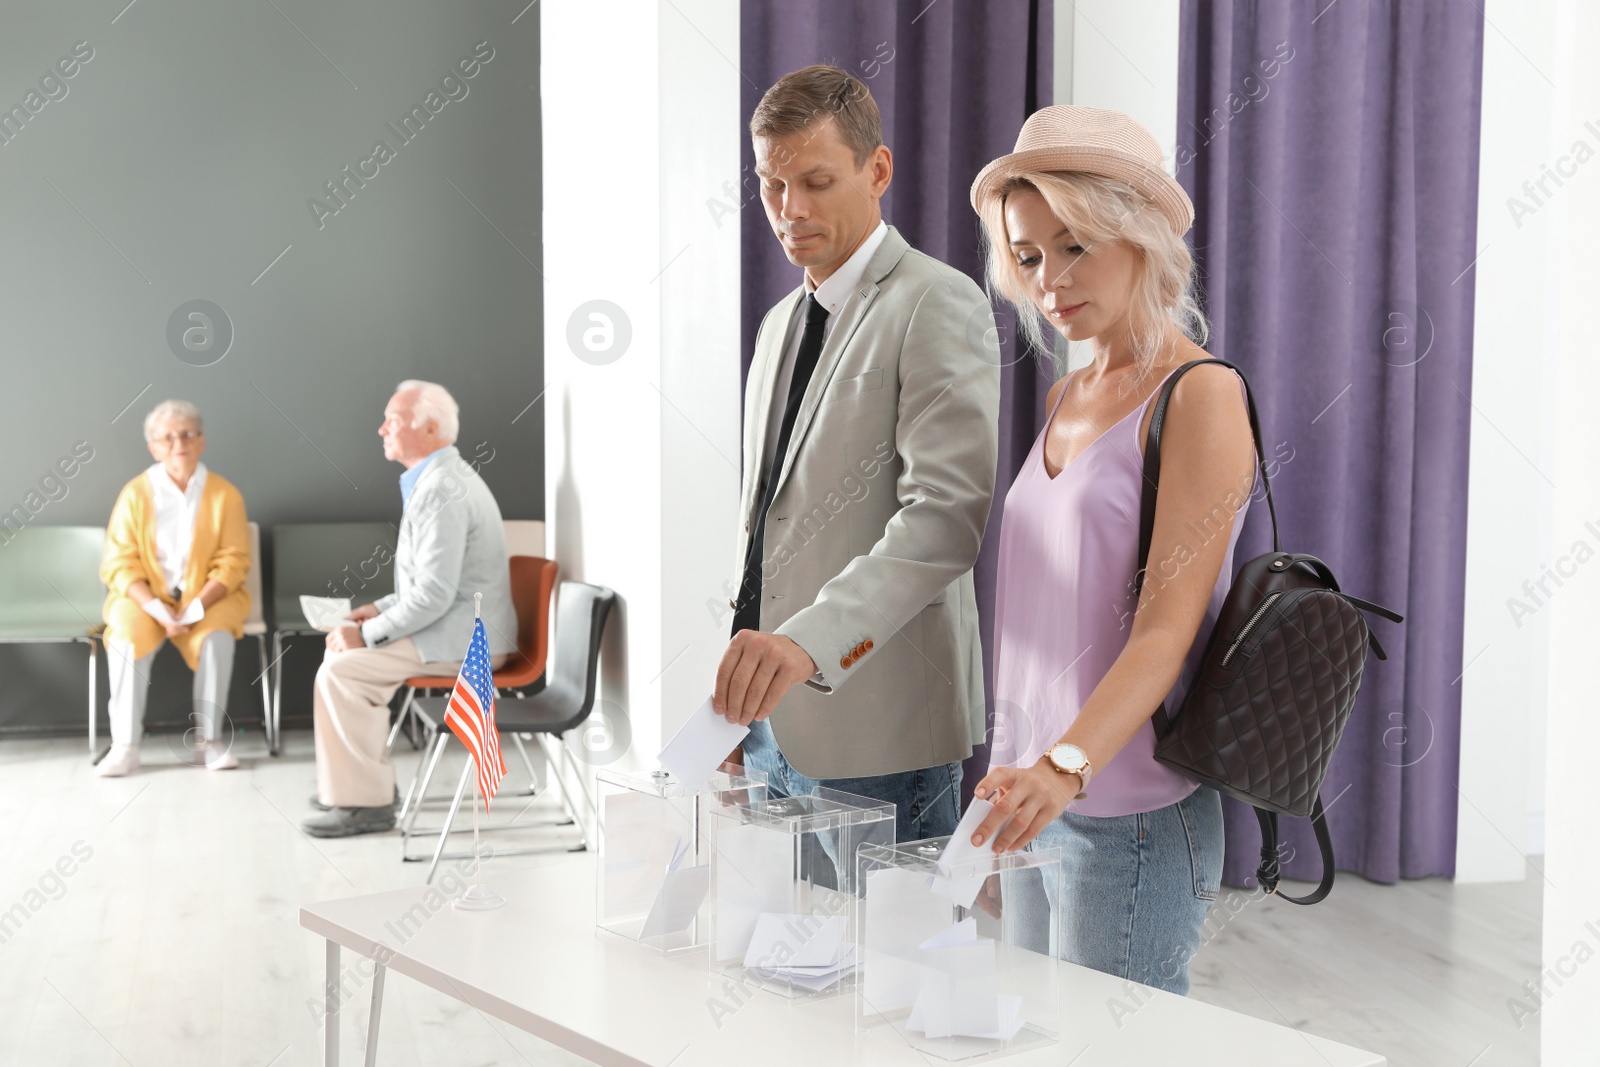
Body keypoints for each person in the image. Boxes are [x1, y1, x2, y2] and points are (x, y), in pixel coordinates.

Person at [966, 106, 1259, 994]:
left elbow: (1164, 635)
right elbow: (1033, 627)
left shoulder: (1201, 395)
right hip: (1030, 795)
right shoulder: (1065, 396)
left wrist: (1065, 767)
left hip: (1126, 807)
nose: (1049, 278)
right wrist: (1005, 788)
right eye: (1027, 255)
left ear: (1138, 236)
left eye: (1075, 244)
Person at [713, 65, 1001, 844]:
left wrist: (807, 644)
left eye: (815, 180)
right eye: (773, 185)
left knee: (892, 967)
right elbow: (768, 528)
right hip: (775, 719)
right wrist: (740, 710)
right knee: (785, 962)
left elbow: (944, 522)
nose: (790, 210)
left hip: (883, 728)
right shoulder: (779, 323)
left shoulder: (937, 301)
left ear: (877, 170)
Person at [302, 381, 514, 838]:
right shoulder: (439, 481)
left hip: (465, 642)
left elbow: (435, 595)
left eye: (393, 420)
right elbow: (431, 585)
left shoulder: (442, 491)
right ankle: (352, 788)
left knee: (343, 670)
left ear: (430, 427)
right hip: (454, 627)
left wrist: (370, 632)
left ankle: (366, 804)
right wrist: (375, 610)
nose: (381, 429)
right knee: (340, 658)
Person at [97, 400, 251, 777]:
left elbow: (234, 561)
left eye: (187, 434)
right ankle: (125, 746)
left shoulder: (225, 494)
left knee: (217, 638)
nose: (178, 443)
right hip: (145, 598)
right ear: (153, 447)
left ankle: (209, 742)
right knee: (126, 637)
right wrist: (157, 610)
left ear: (201, 441)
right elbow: (118, 562)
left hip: (209, 597)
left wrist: (196, 607)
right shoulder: (134, 494)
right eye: (167, 437)